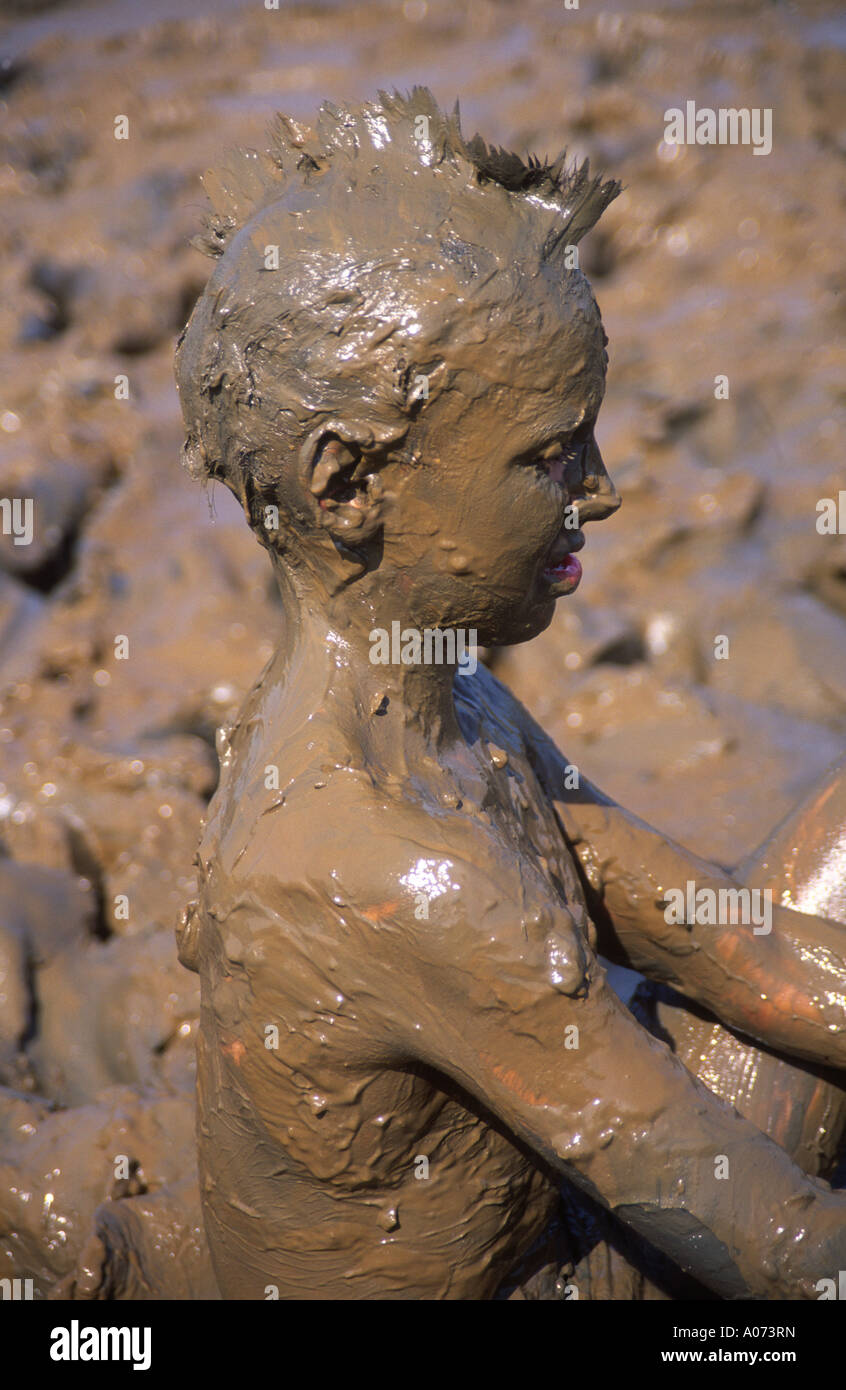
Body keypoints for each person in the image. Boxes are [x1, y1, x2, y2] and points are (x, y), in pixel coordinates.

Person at [174, 89, 846, 1300]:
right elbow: (772, 1242)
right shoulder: (380, 866)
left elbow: (707, 932)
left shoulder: (448, 693)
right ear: (346, 482)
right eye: (550, 454)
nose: (604, 490)